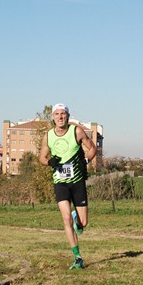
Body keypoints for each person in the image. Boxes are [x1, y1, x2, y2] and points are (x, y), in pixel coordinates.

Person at [39, 103, 97, 270]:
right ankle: (77, 257)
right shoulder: (48, 136)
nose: (60, 117)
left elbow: (92, 148)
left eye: (63, 114)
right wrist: (49, 162)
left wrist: (85, 160)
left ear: (68, 116)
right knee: (65, 219)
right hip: (60, 182)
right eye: (56, 114)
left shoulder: (76, 131)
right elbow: (42, 158)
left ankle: (76, 218)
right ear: (52, 117)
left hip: (77, 181)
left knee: (83, 223)